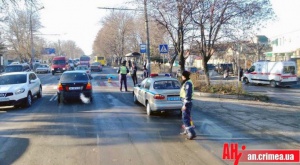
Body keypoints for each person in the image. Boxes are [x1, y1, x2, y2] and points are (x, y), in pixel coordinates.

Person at [180, 71, 196, 140]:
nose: (181, 77)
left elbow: (188, 95)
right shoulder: (187, 82)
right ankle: (187, 131)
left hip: (186, 102)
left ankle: (191, 134)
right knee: (185, 117)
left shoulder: (188, 83)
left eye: (182, 76)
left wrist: (185, 104)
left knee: (186, 118)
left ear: (184, 76)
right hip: (185, 102)